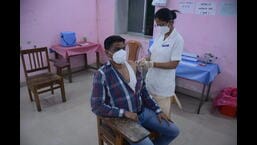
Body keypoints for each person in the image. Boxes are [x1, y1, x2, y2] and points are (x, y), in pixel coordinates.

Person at [91, 35, 179, 145]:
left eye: (123, 49)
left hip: (142, 112)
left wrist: (158, 110)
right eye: (117, 49)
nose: (122, 52)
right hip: (123, 120)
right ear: (108, 53)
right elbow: (97, 106)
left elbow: (143, 91)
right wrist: (124, 113)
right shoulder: (102, 75)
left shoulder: (133, 66)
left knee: (174, 131)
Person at [138, 8, 184, 117]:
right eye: (157, 25)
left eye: (161, 24)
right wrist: (145, 60)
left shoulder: (178, 40)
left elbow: (174, 64)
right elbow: (151, 53)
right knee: (149, 113)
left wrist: (153, 64)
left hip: (163, 86)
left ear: (170, 22)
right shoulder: (160, 36)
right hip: (151, 81)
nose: (159, 27)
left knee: (162, 116)